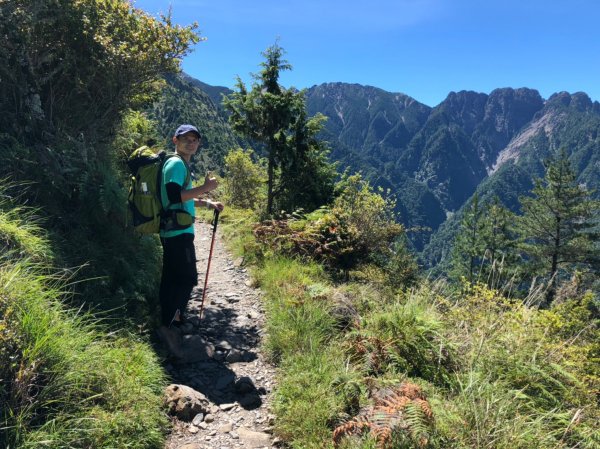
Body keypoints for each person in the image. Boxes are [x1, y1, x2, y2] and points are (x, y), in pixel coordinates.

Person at [157, 124, 224, 355]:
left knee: (171, 277)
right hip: (178, 232)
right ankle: (173, 324)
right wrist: (205, 188)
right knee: (185, 279)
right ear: (175, 140)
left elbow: (182, 198)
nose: (191, 143)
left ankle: (167, 320)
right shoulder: (176, 164)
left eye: (195, 139)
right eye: (186, 138)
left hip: (173, 230)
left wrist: (207, 203)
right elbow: (176, 197)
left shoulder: (180, 165)